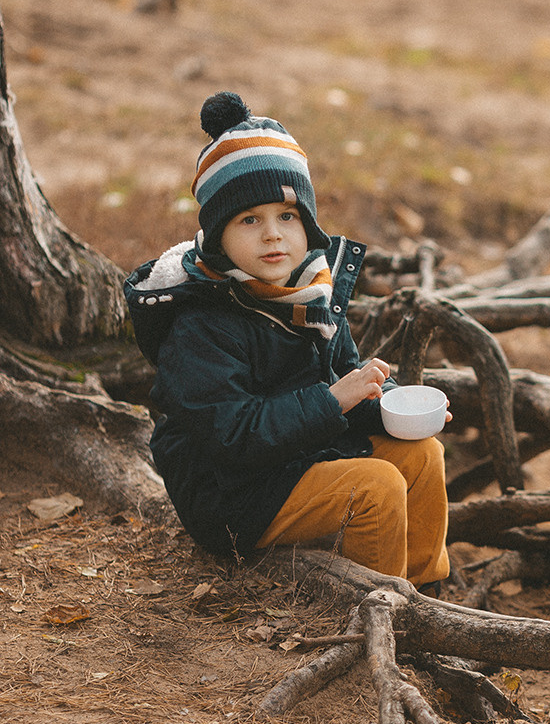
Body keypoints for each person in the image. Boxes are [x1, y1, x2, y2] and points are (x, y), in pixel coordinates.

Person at [124, 92, 450, 585]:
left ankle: (427, 599)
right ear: (218, 237)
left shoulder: (312, 293)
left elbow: (339, 385)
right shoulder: (203, 322)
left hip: (298, 458)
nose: (272, 235)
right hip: (230, 493)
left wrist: (381, 405)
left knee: (422, 455)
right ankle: (380, 614)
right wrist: (331, 402)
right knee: (376, 486)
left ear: (309, 224)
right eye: (249, 220)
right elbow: (230, 436)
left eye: (287, 216)